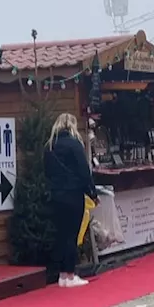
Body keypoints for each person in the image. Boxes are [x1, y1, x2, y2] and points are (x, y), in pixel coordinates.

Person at [43, 113, 98, 288]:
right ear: (72, 126)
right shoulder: (75, 145)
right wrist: (92, 193)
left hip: (56, 194)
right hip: (73, 194)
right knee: (72, 234)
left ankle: (62, 275)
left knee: (61, 234)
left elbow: (47, 172)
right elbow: (84, 171)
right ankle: (70, 274)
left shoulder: (49, 146)